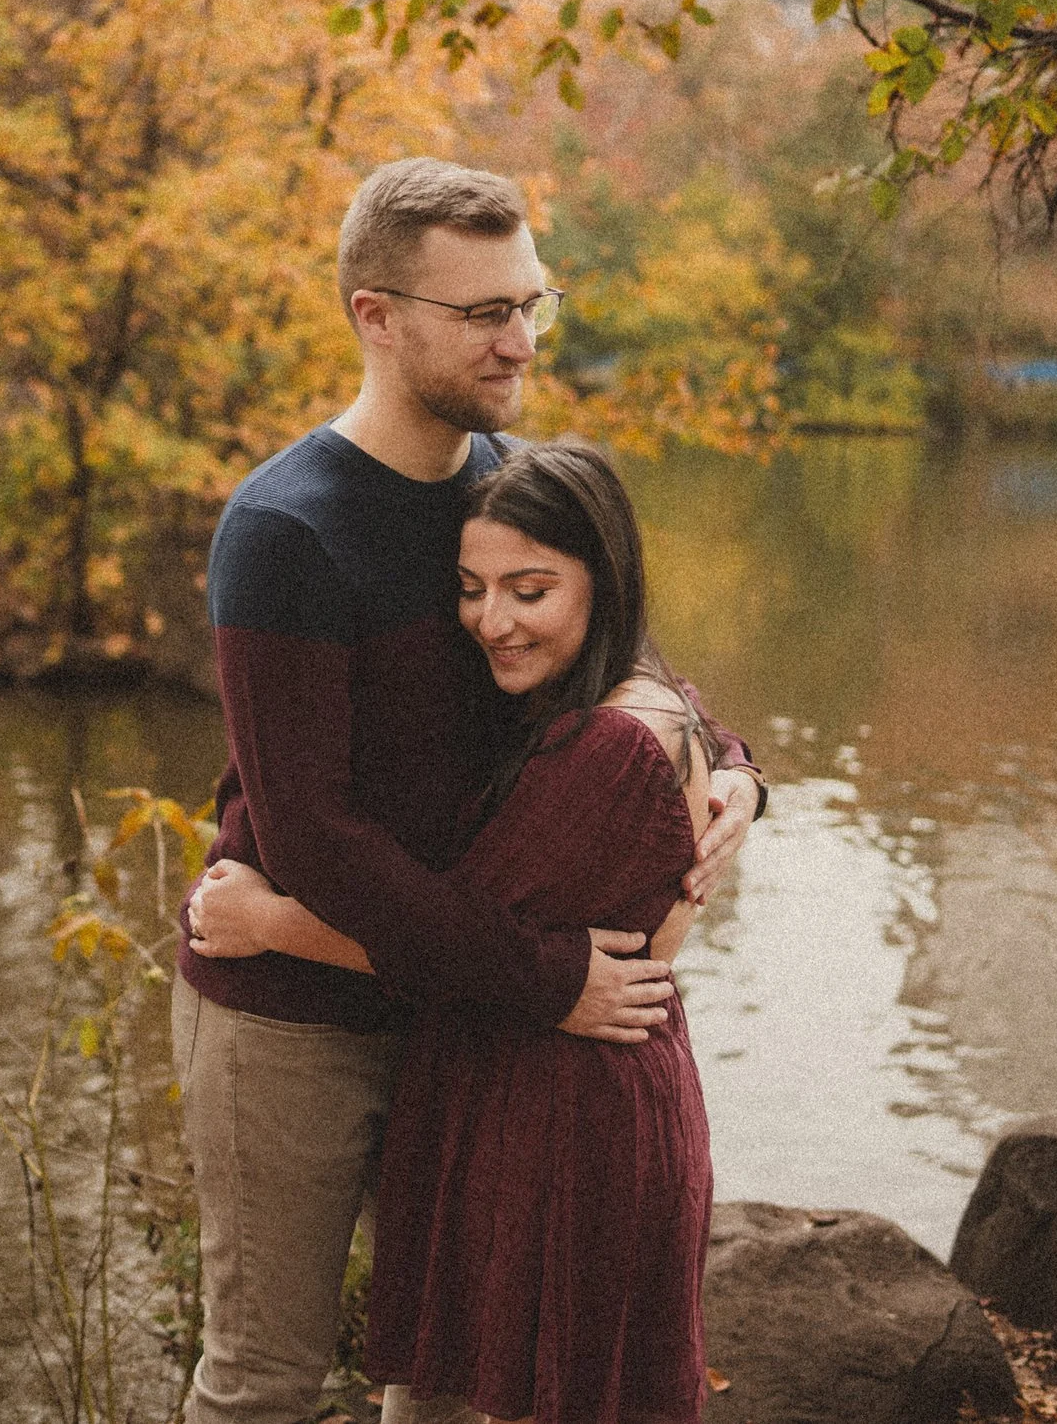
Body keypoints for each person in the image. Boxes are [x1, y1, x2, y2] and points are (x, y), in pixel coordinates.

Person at [171, 157, 763, 1424]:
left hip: (466, 1021)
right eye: (482, 310)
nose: (517, 338)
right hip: (298, 1013)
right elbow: (311, 837)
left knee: (442, 1369)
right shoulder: (287, 530)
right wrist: (548, 980)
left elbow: (623, 662)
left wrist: (736, 775)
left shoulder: (504, 479)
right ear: (375, 315)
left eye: (529, 302)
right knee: (262, 1383)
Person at [190, 439, 719, 1424]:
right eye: (472, 589)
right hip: (552, 1079)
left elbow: (451, 939)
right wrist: (735, 772)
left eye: (529, 589)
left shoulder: (603, 745)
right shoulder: (622, 711)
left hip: (574, 1109)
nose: (492, 620)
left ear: (604, 584)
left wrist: (261, 917)